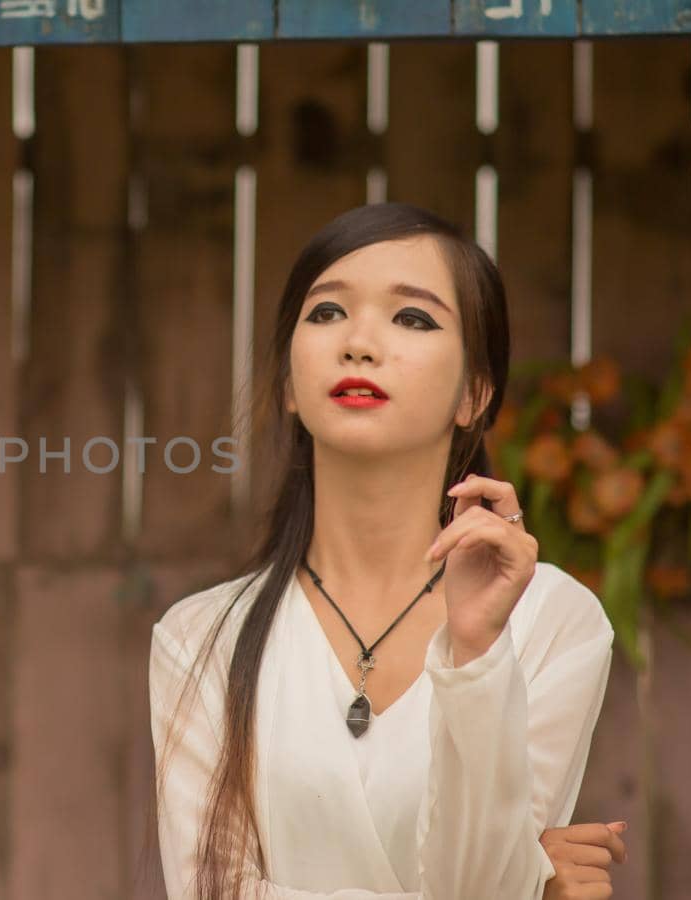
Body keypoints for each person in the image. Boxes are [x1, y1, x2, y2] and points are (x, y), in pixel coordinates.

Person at [148, 202, 628, 900]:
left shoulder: (552, 618)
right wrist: (530, 882)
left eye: (413, 318)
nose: (359, 343)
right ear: (287, 382)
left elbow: (478, 884)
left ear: (475, 393)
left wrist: (476, 653)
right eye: (326, 313)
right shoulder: (198, 639)